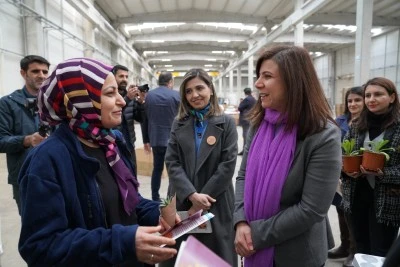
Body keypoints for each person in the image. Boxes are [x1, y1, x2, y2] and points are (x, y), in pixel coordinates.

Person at [18, 58, 177, 266]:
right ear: (80, 100)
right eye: (110, 94)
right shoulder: (47, 160)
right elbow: (40, 246)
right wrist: (122, 242)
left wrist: (156, 214)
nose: (121, 100)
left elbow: (129, 201)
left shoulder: (112, 143)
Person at [233, 45, 342, 267]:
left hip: (297, 254)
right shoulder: (260, 125)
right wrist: (241, 221)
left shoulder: (322, 136)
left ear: (293, 82)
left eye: (267, 76)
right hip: (253, 243)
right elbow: (242, 176)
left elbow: (311, 209)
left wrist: (255, 233)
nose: (257, 83)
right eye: (259, 75)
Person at [160, 69, 238, 267]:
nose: (194, 95)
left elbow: (228, 165)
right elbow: (172, 162)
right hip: (182, 199)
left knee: (214, 257)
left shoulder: (226, 123)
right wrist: (192, 196)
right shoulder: (178, 123)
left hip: (215, 200)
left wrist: (203, 200)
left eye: (199, 88)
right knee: (180, 256)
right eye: (188, 91)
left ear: (210, 89)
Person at [341, 77, 400, 258]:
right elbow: (343, 155)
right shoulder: (357, 125)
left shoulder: (398, 127)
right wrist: (346, 170)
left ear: (391, 98)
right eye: (368, 95)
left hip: (387, 201)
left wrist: (384, 173)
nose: (371, 99)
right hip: (356, 196)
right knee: (360, 249)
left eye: (378, 94)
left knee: (380, 252)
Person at [0, 55, 50, 214]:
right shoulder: (8, 103)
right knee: (32, 227)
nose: (41, 75)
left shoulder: (53, 102)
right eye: (35, 71)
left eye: (45, 71)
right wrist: (27, 140)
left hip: (54, 172)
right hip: (25, 176)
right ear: (23, 73)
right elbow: (1, 141)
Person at [329, 86, 364, 267]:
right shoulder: (341, 120)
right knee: (341, 210)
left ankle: (354, 251)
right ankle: (344, 245)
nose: (353, 104)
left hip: (359, 174)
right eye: (350, 101)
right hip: (338, 174)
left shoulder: (367, 122)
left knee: (354, 214)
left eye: (357, 100)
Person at [143, 71, 180, 201]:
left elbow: (145, 119)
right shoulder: (176, 95)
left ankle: (155, 197)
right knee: (174, 171)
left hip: (156, 139)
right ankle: (172, 198)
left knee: (157, 169)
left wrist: (146, 140)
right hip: (174, 140)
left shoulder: (149, 96)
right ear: (170, 82)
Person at [112, 64, 147, 176]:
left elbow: (140, 118)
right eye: (121, 76)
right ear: (113, 77)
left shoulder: (131, 98)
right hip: (115, 144)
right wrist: (127, 98)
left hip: (130, 144)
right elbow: (112, 112)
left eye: (126, 77)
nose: (124, 80)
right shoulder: (110, 96)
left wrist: (141, 102)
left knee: (132, 174)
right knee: (119, 176)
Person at [238, 87, 256, 155]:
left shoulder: (247, 99)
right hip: (251, 118)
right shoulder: (254, 99)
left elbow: (240, 107)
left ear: (245, 92)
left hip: (246, 119)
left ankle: (245, 151)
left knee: (245, 134)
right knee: (250, 134)